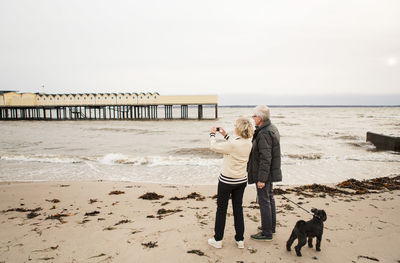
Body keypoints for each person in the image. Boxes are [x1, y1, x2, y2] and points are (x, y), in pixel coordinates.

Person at [207, 117, 254, 249]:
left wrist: (212, 134)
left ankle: (218, 239)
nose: (234, 127)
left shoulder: (233, 145)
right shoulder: (249, 143)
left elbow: (213, 146)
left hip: (226, 181)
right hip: (241, 181)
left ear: (238, 129)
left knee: (221, 209)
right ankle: (240, 239)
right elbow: (234, 144)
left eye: (235, 126)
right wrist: (225, 135)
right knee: (238, 208)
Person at [247, 105, 282, 241]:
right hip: (269, 172)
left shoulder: (264, 133)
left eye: (254, 116)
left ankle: (267, 232)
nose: (253, 119)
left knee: (264, 201)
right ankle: (270, 227)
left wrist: (261, 178)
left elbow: (265, 158)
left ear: (260, 118)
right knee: (269, 198)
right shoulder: (270, 128)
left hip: (265, 173)